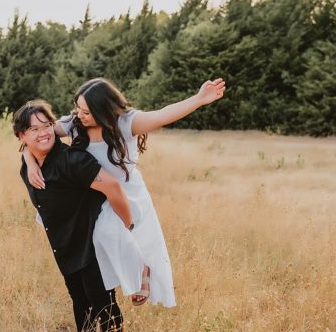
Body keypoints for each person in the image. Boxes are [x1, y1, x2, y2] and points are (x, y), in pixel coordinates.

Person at [25, 77, 226, 308]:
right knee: (92, 239)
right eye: (78, 109)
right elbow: (39, 137)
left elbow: (163, 115)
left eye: (86, 112)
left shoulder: (125, 123)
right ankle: (115, 284)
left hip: (125, 194)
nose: (79, 115)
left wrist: (199, 99)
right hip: (94, 194)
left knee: (105, 230)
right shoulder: (75, 122)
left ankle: (141, 270)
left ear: (103, 110)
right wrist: (29, 160)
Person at [14, 99, 132, 332]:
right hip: (64, 243)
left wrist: (129, 226)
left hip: (91, 242)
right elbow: (27, 154)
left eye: (46, 127)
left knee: (103, 303)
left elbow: (113, 187)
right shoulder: (29, 161)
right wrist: (29, 161)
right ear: (21, 137)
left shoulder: (72, 160)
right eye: (33, 130)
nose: (42, 134)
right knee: (79, 299)